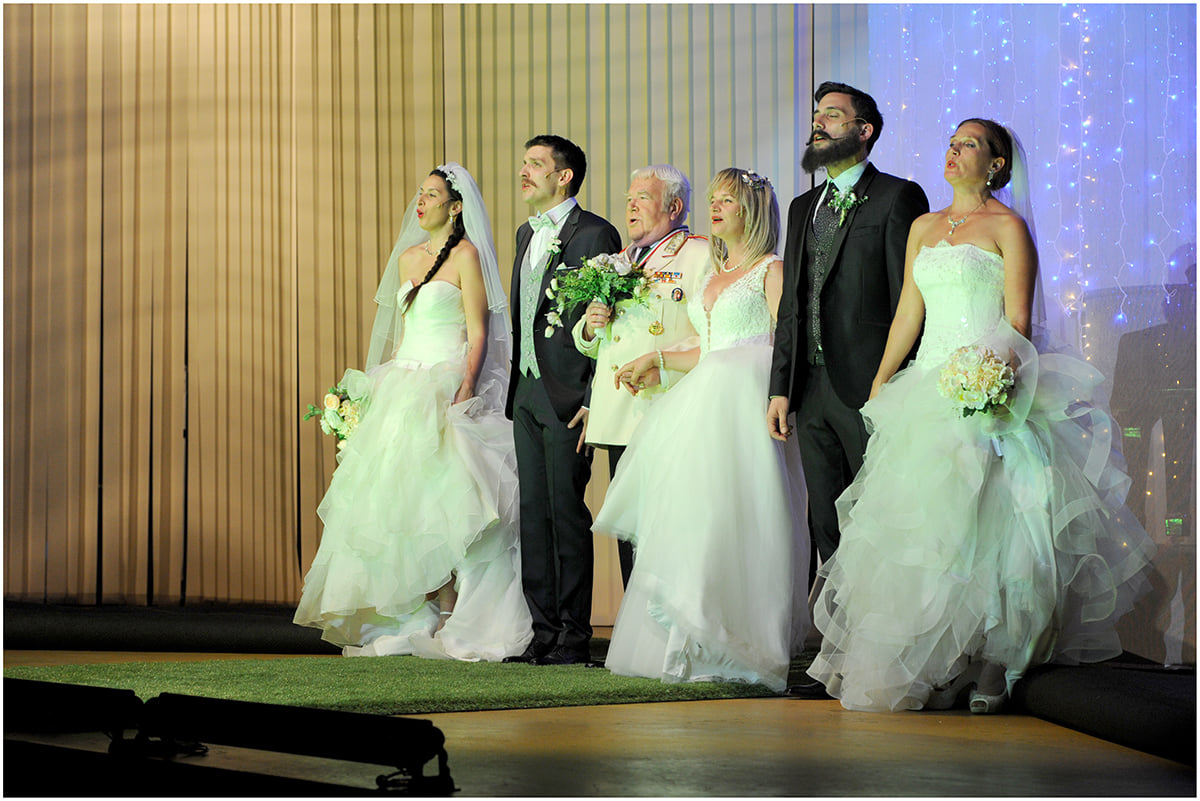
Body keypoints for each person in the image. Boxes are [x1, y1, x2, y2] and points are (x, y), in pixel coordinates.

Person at [806, 120, 1156, 712]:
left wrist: (988, 374)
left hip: (984, 384)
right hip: (926, 386)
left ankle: (991, 661)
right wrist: (883, 377)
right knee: (923, 528)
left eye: (967, 144)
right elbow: (908, 312)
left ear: (995, 164)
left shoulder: (1008, 227)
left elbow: (1017, 319)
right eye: (950, 142)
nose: (952, 151)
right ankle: (939, 664)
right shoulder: (923, 226)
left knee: (987, 527)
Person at [294, 163, 533, 661]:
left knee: (449, 497)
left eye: (431, 195)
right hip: (404, 383)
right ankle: (413, 608)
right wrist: (379, 390)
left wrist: (466, 387)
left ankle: (453, 610)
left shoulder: (466, 255)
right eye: (419, 194)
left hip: (445, 381)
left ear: (455, 207)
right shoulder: (406, 258)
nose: (420, 202)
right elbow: (403, 332)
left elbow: (480, 332)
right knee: (399, 501)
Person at [593, 168, 811, 692]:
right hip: (702, 404)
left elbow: (788, 343)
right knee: (696, 518)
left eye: (727, 201)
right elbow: (707, 347)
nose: (714, 208)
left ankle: (743, 642)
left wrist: (778, 396)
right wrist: (657, 359)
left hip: (745, 404)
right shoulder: (713, 275)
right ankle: (690, 637)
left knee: (740, 517)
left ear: (751, 210)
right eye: (712, 199)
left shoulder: (771, 270)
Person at [767, 82, 929, 575]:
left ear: (864, 131)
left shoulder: (897, 197)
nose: (819, 122)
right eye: (817, 115)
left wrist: (898, 382)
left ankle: (885, 616)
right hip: (810, 387)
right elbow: (792, 306)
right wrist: (780, 388)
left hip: (871, 383)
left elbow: (910, 298)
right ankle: (838, 619)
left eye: (833, 115)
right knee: (826, 520)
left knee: (879, 512)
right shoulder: (802, 207)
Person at [503, 135, 622, 666]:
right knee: (533, 514)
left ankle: (573, 637)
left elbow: (609, 322)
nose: (524, 171)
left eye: (535, 164)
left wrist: (594, 397)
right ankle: (542, 632)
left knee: (566, 513)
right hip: (527, 389)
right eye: (524, 163)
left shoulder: (594, 233)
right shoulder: (527, 233)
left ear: (564, 176)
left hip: (569, 393)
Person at [572, 164, 708, 587]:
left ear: (674, 207)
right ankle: (635, 622)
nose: (630, 206)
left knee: (667, 528)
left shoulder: (698, 256)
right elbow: (595, 344)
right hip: (619, 414)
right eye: (629, 199)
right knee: (629, 531)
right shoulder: (617, 261)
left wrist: (662, 363)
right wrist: (590, 326)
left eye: (643, 198)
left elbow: (712, 334)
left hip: (665, 411)